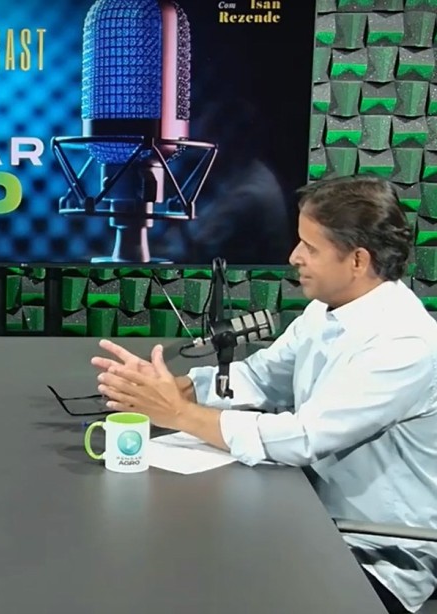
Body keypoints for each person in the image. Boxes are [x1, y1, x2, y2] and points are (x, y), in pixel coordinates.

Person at [92, 175, 437, 613]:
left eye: (310, 247)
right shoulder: (325, 310)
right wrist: (173, 388)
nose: (294, 257)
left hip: (375, 554)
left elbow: (305, 438)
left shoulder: (402, 343)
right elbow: (262, 376)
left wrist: (178, 413)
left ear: (357, 260)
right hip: (310, 518)